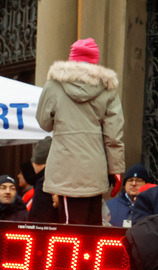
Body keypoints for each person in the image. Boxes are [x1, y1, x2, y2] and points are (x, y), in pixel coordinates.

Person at [36, 37, 125, 226]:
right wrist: (116, 170)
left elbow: (44, 123)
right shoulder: (107, 89)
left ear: (71, 59)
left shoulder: (54, 86)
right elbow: (113, 136)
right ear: (95, 61)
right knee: (92, 230)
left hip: (65, 168)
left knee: (71, 231)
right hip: (95, 169)